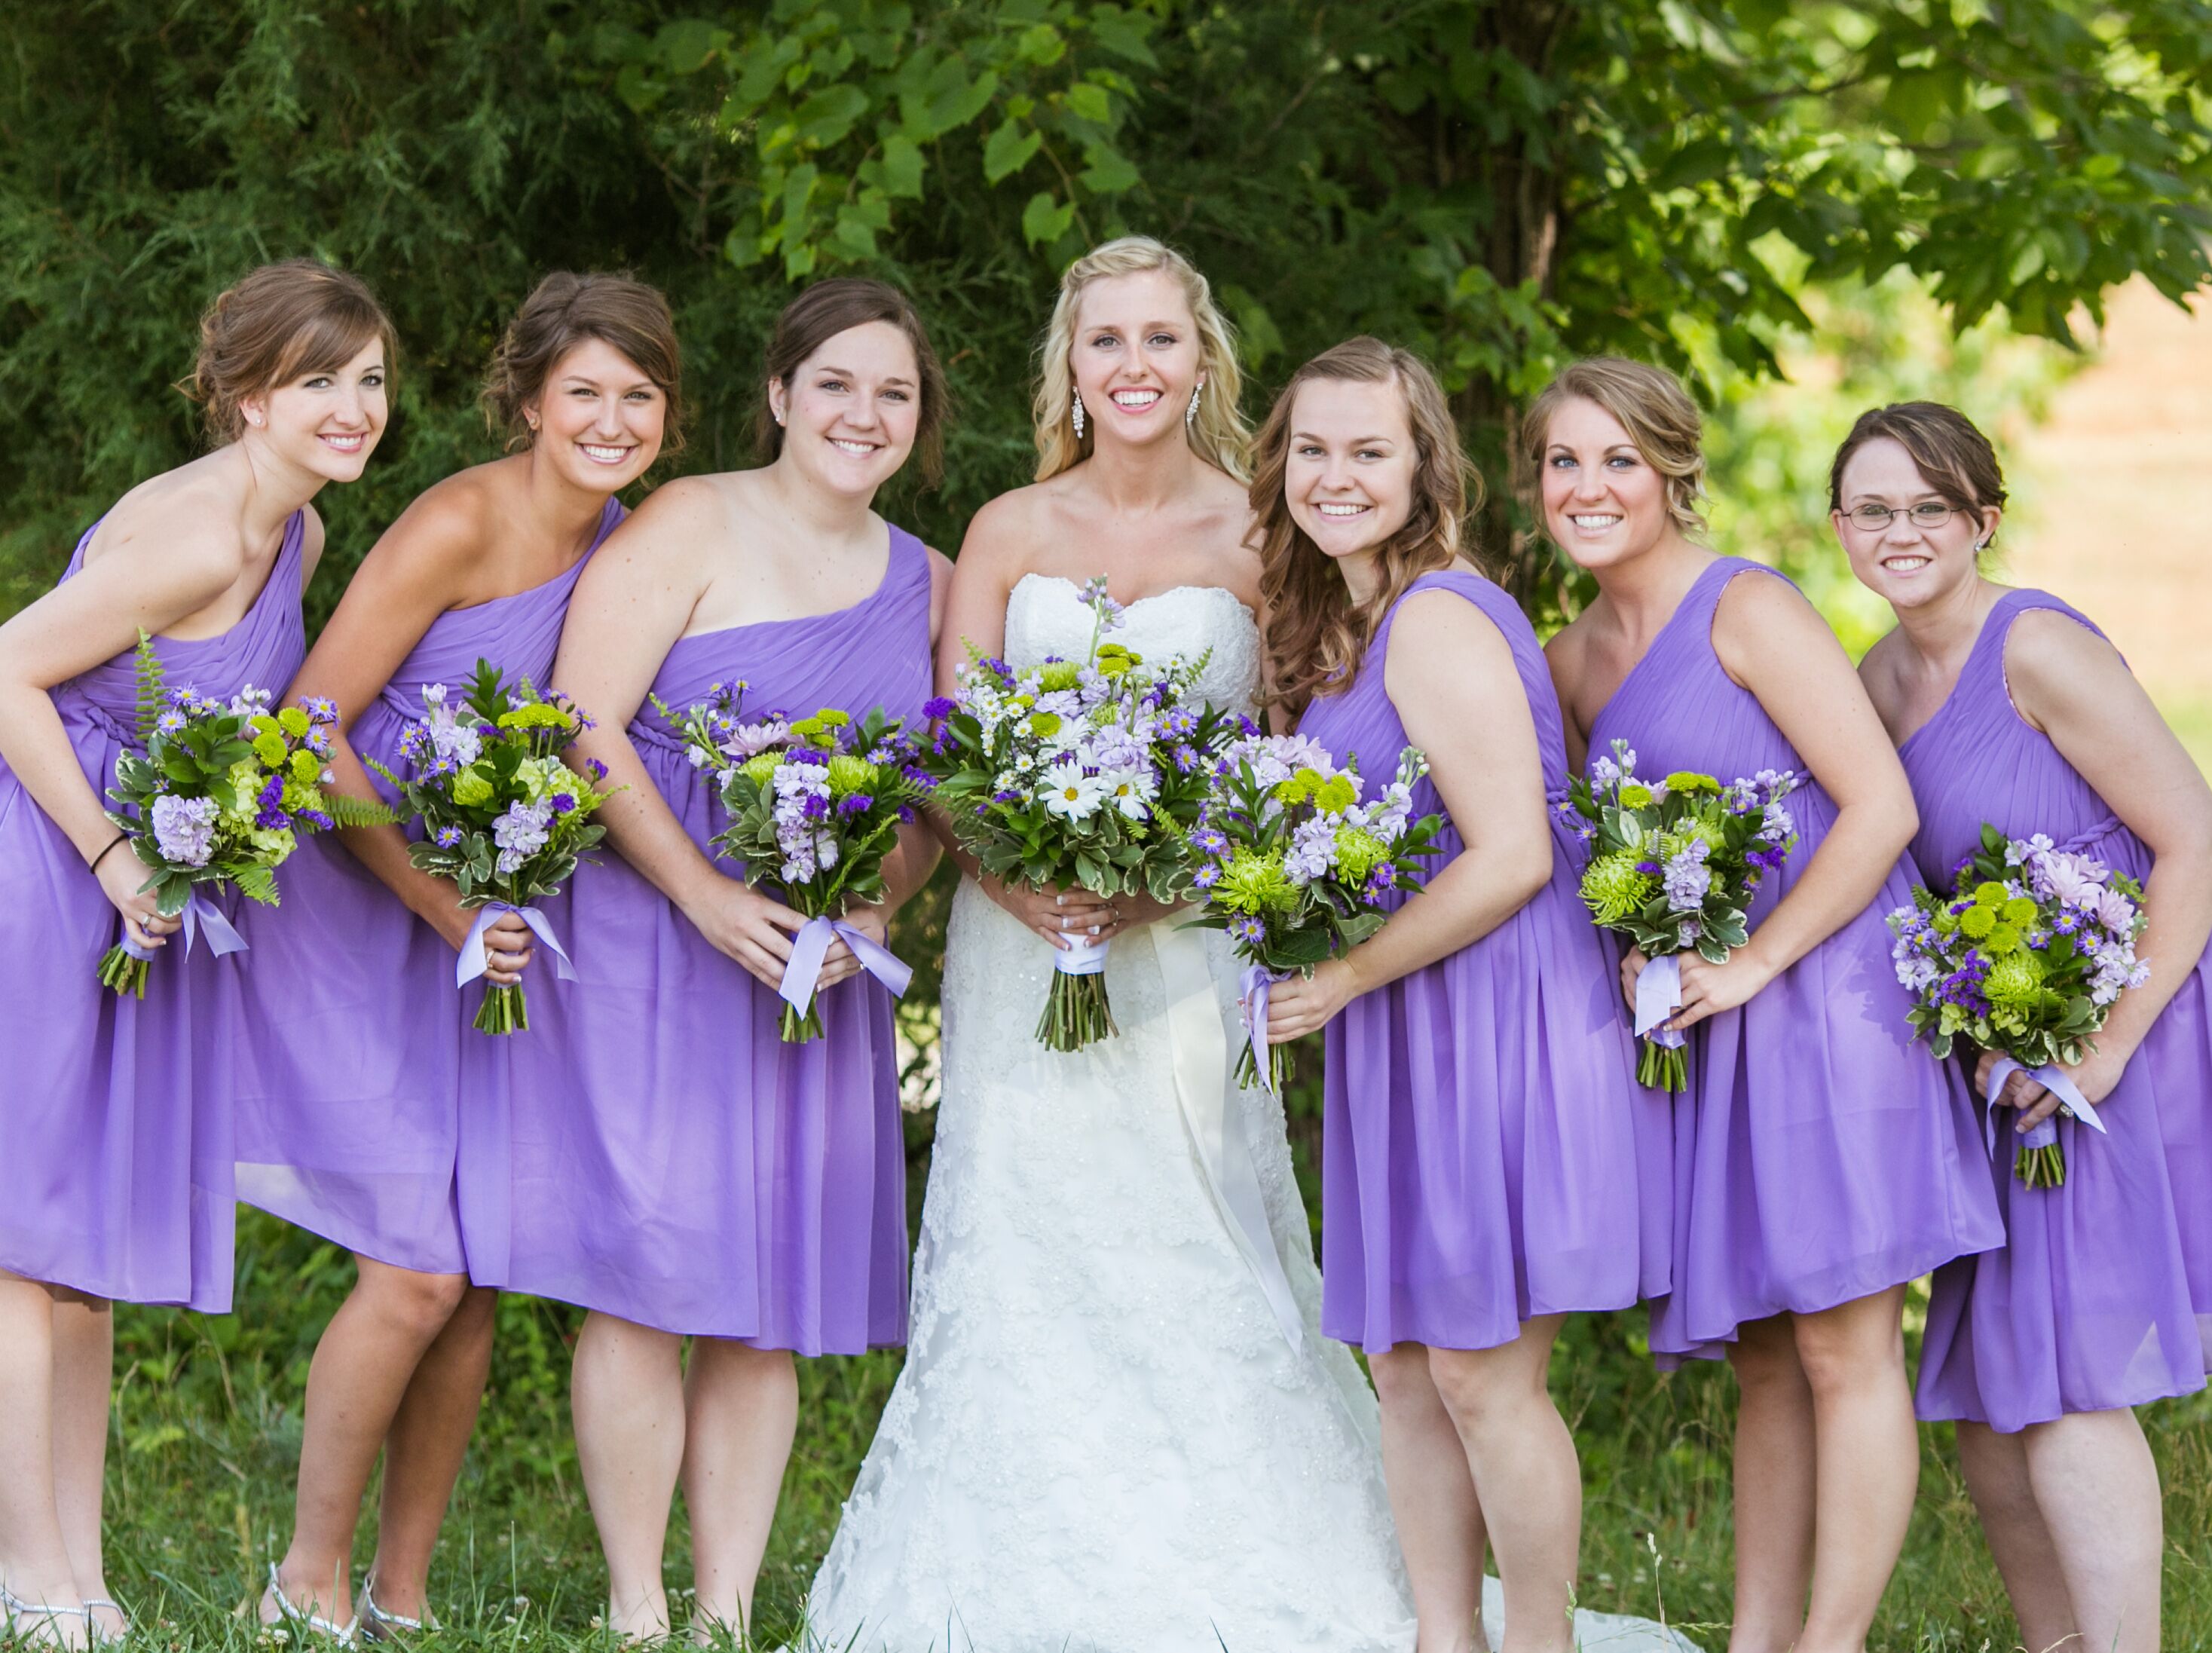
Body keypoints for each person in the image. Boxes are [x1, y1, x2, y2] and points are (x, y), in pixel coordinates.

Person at [803, 237, 1417, 1653]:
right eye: (1105, 343)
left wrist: (1164, 884)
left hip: (1187, 951)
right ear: (1068, 368)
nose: (1132, 366)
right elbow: (951, 746)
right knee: (1027, 1242)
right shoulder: (1011, 526)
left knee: (1199, 1237)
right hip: (1019, 952)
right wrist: (1025, 889)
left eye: (1159, 339)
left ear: (1202, 360)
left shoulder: (1262, 537)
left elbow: (1286, 764)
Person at [489, 277, 950, 1642]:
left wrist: (882, 901)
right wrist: (699, 892)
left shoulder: (921, 574)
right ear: (779, 395)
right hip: (658, 943)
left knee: (769, 1297)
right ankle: (640, 1606)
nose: (863, 414)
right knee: (648, 1274)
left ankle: (726, 1610)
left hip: (813, 982)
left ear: (919, 422)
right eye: (838, 384)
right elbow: (581, 719)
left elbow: (928, 802)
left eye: (895, 393)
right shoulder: (694, 516)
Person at [234, 272, 678, 1639]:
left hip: (492, 932)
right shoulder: (459, 521)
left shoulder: (642, 542)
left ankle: (403, 1593)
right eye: (585, 393)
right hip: (366, 912)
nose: (611, 421)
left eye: (641, 397)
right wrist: (442, 903)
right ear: (531, 397)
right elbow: (305, 725)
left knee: (477, 1263)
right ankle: (300, 1580)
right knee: (416, 1267)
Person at [1538, 358, 2000, 1653]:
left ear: (1672, 470)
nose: (1591, 487)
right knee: (1760, 1353)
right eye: (1565, 463)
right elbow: (1600, 860)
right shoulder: (1570, 663)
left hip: (1835, 995)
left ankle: (1831, 1640)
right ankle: (1757, 1640)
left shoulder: (1746, 606)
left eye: (1619, 459)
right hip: (1718, 1029)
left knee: (1848, 1344)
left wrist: (1752, 964)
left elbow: (1880, 807)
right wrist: (1635, 951)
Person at [1263, 337, 1679, 1652]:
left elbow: (1512, 854)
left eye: (1368, 450)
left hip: (1498, 1015)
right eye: (1312, 449)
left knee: (1483, 1374)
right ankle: (1449, 1636)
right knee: (1404, 1366)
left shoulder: (1437, 612)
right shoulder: (1347, 619)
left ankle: (1538, 1642)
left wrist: (1341, 973)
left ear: (1422, 464)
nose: (1336, 475)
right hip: (1409, 1020)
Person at [0, 258, 391, 1645]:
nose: (353, 408)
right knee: (19, 1233)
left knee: (85, 1247)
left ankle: (80, 1573)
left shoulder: (301, 538)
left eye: (369, 380)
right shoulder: (200, 539)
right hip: (48, 866)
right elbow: (5, 671)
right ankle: (31, 1574)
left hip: (134, 886)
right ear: (243, 396)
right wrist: (111, 852)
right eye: (317, 381)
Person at [1839, 399, 2212, 1653]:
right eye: (1873, 508)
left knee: (2062, 1382)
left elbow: (2194, 840)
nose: (1900, 531)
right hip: (2000, 1067)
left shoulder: (2035, 647)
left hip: (2126, 1033)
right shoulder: (1874, 684)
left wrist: (2099, 1044)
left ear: (1981, 520)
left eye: (1928, 506)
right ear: (1839, 527)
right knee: (1995, 1405)